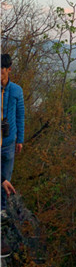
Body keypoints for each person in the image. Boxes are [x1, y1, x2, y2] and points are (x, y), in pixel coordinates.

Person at [1, 53, 24, 218]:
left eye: (2, 70)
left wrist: (20, 139)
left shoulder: (16, 90)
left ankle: (2, 209)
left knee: (6, 178)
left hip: (9, 141)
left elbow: (20, 116)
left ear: (9, 69)